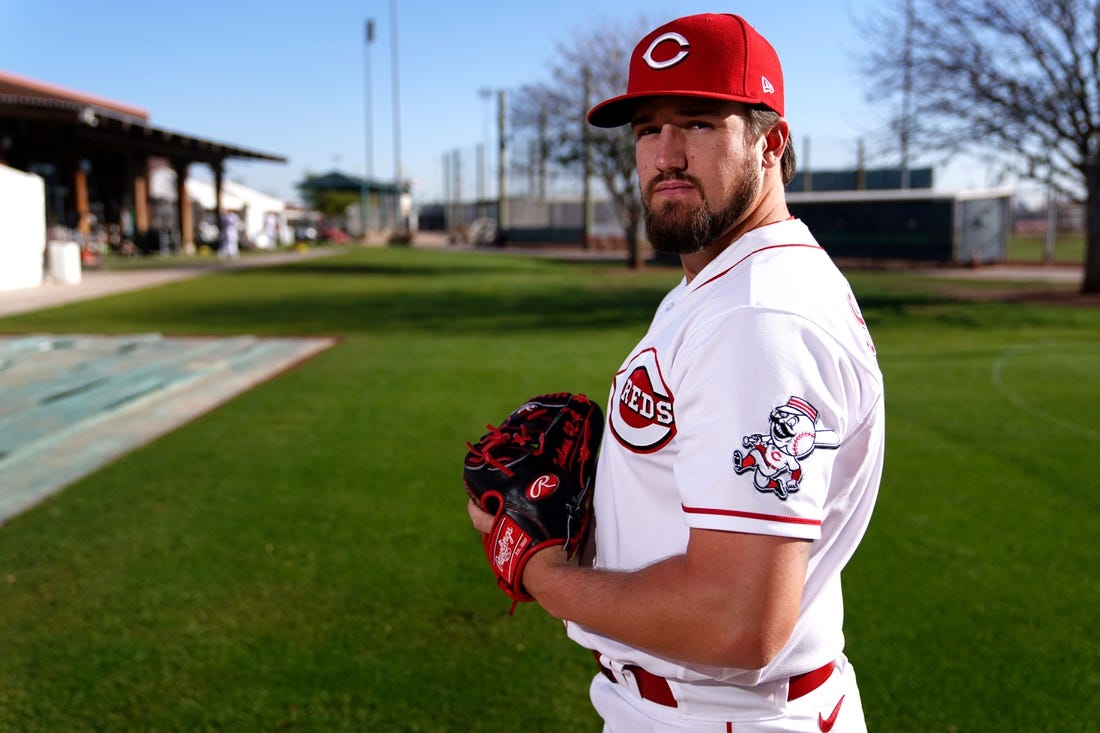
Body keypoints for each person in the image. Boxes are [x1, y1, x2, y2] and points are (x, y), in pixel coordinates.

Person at [468, 13, 884, 732]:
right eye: (645, 130)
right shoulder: (721, 284)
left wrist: (544, 570)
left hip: (720, 714)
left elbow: (735, 619)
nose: (664, 154)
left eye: (696, 123)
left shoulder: (761, 318)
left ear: (771, 143)